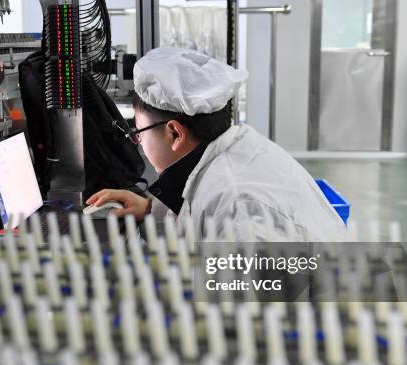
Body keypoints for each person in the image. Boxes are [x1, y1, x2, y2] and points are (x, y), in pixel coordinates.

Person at [86, 47, 346, 241]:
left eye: (139, 132)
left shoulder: (239, 206)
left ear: (175, 134)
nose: (138, 142)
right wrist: (149, 210)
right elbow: (196, 212)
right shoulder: (235, 147)